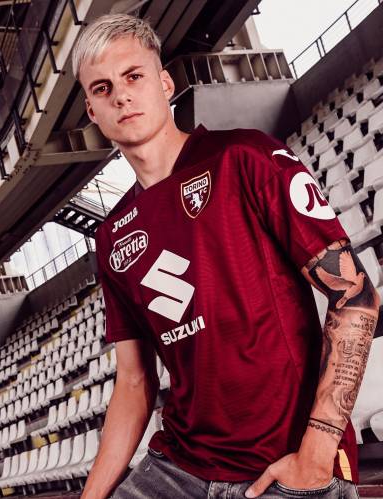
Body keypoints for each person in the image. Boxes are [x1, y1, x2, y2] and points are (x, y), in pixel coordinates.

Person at [71, 13, 380, 499]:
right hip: (178, 468)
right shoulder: (112, 237)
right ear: (92, 110)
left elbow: (356, 297)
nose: (122, 96)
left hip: (284, 463)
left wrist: (317, 454)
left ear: (165, 83)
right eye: (103, 88)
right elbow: (133, 383)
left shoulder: (245, 157)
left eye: (134, 77)